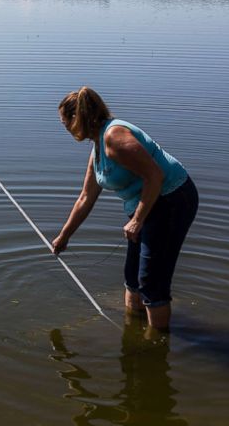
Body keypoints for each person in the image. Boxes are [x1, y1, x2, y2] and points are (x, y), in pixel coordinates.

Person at [51, 87, 198, 331]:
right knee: (132, 278)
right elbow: (86, 197)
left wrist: (137, 220)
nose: (64, 126)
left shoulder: (115, 137)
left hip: (172, 200)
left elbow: (155, 176)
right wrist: (64, 236)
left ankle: (156, 344)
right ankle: (133, 333)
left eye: (65, 121)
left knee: (151, 282)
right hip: (146, 204)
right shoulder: (97, 146)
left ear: (78, 118)